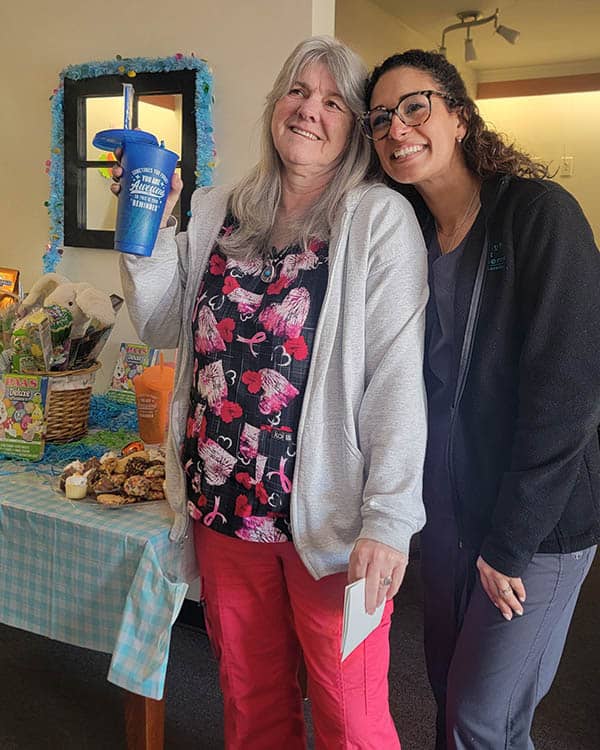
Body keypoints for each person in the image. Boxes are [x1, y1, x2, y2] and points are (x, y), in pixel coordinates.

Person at [117, 37, 429, 749]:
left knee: (351, 717)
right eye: (297, 91)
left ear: (353, 126)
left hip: (331, 523)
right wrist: (151, 231)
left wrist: (388, 518)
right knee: (252, 705)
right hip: (224, 509)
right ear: (274, 104)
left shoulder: (376, 219)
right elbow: (163, 321)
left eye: (331, 101)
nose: (309, 111)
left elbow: (396, 379)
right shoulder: (218, 207)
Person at [363, 50, 600, 750]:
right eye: (380, 118)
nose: (397, 127)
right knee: (451, 700)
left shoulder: (538, 216)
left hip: (537, 525)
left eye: (416, 105)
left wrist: (510, 544)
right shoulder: (402, 231)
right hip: (449, 513)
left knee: (479, 720)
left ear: (460, 117)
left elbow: (569, 395)